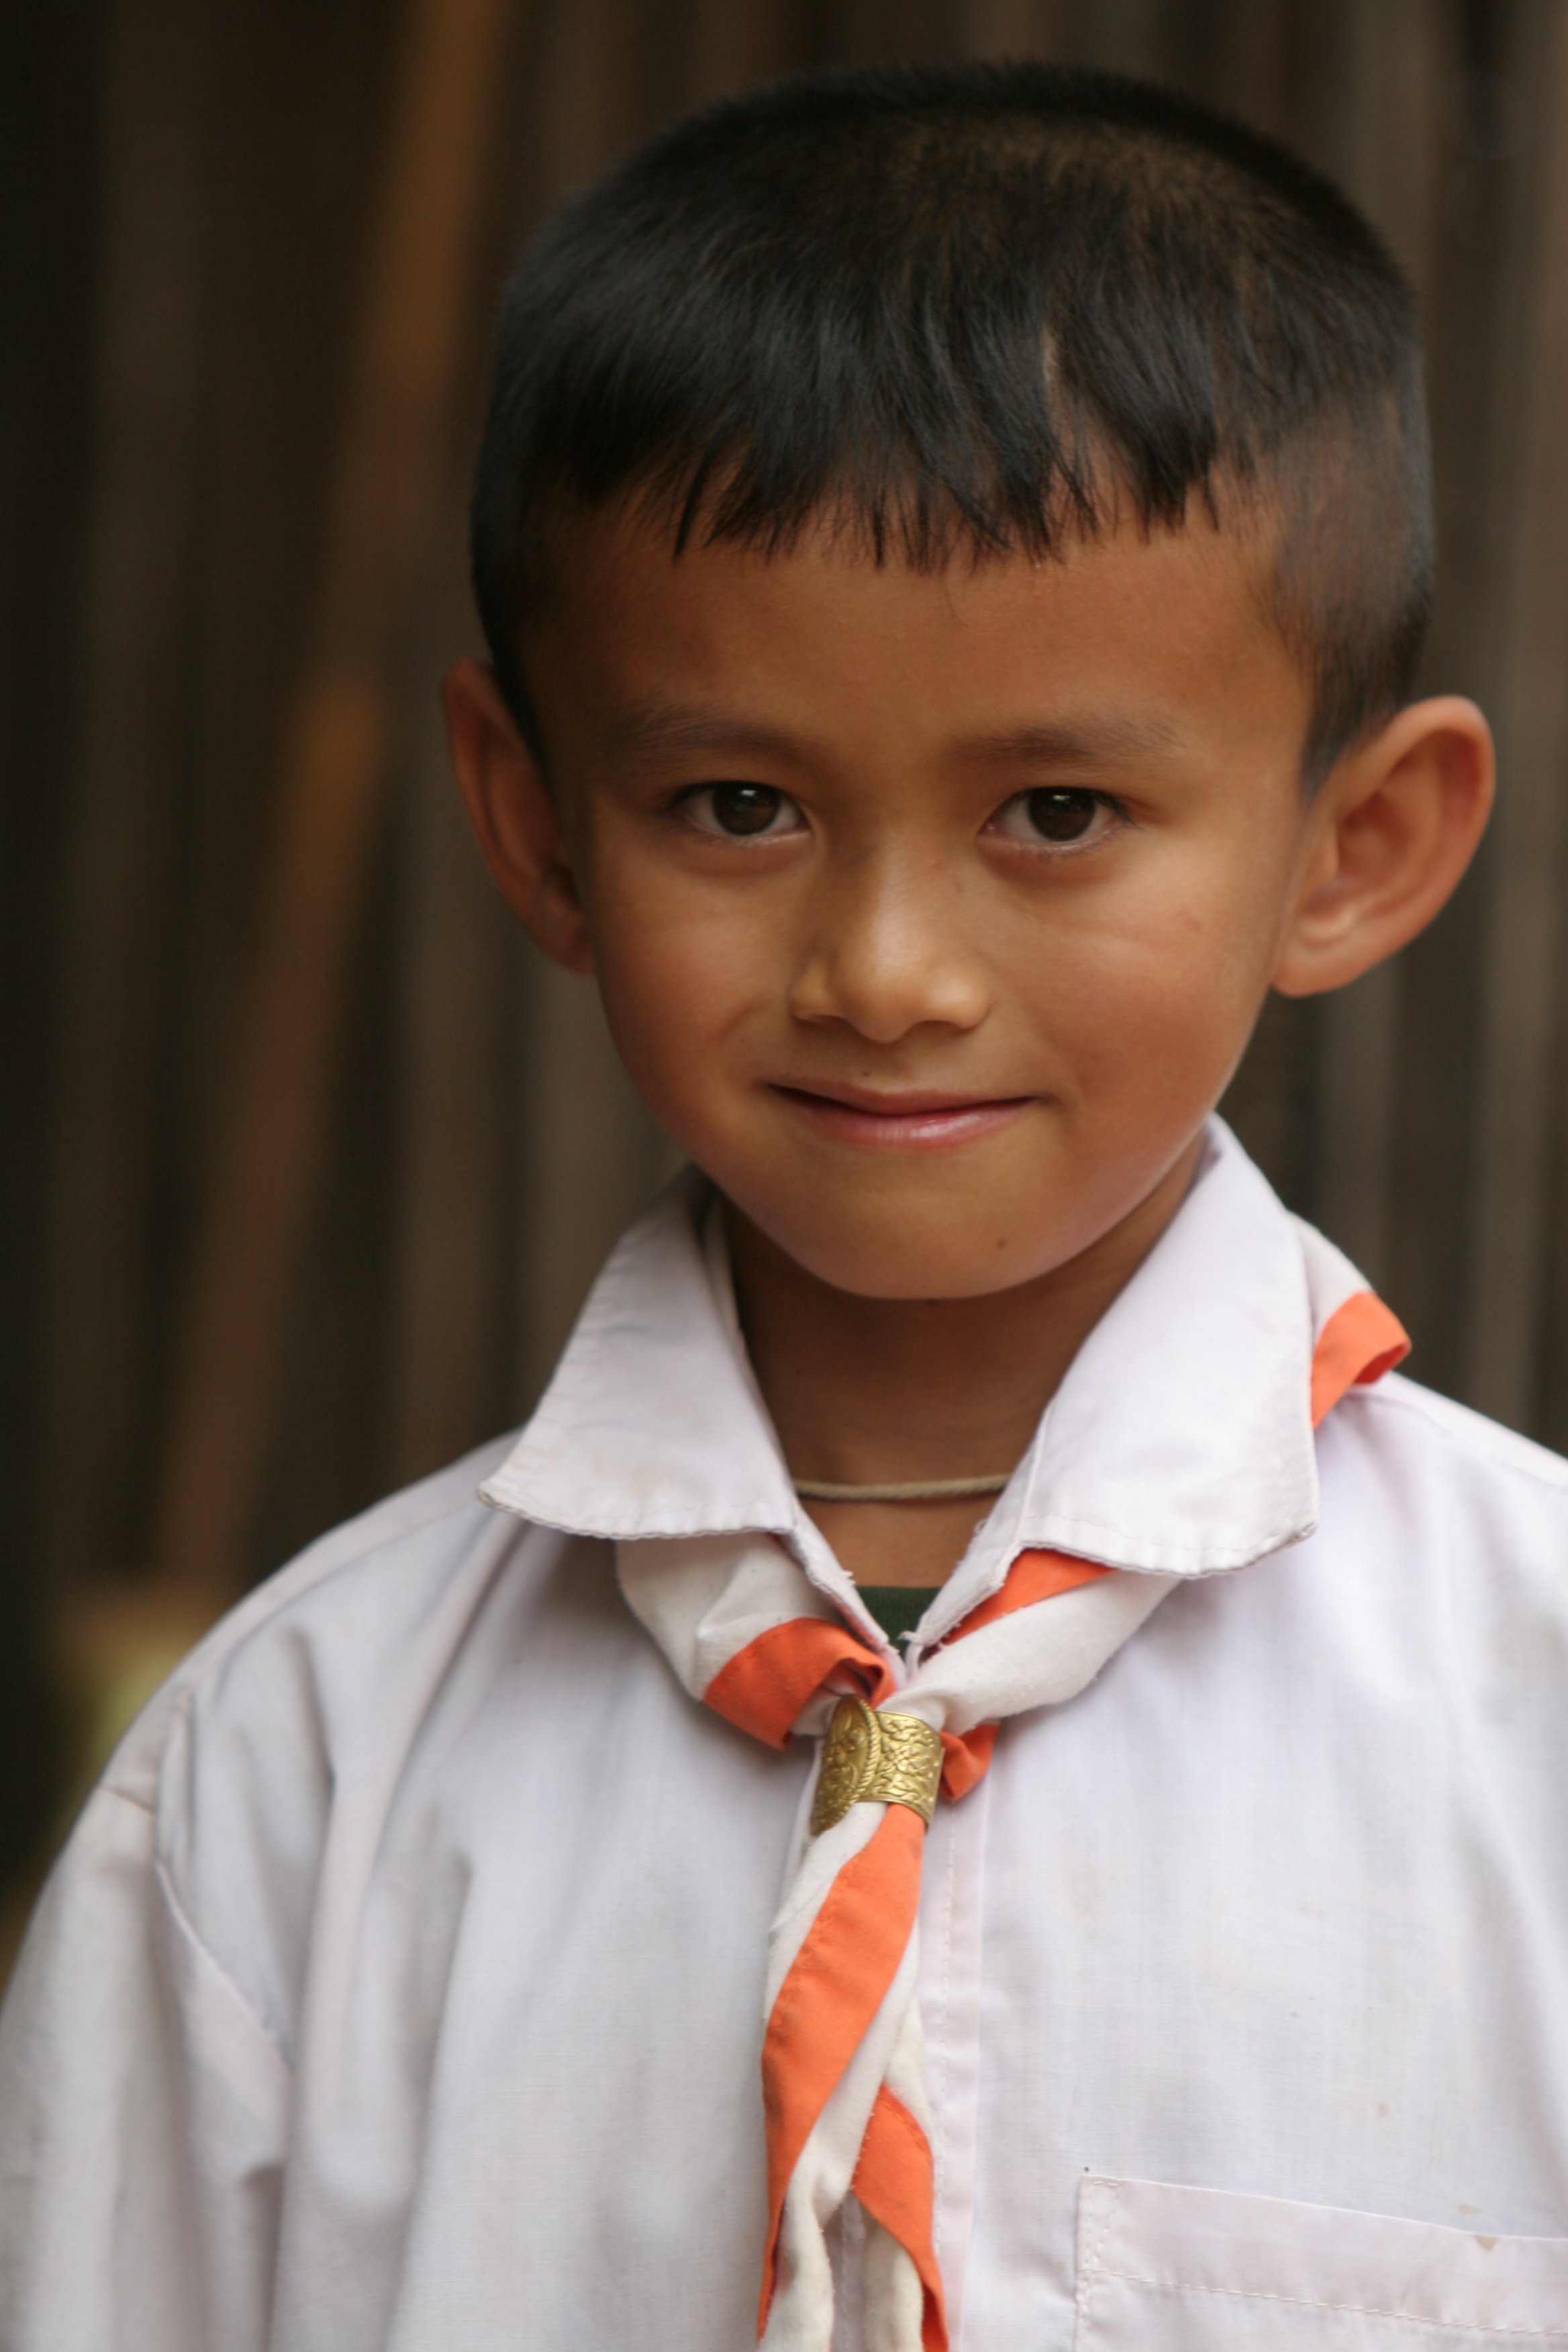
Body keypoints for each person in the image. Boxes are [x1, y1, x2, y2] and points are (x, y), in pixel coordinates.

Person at [3, 55, 1565, 2352]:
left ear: (1359, 848)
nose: (887, 972)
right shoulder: (289, 1778)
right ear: (538, 827)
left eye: (1056, 813)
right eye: (738, 806)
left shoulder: (1535, 1714)